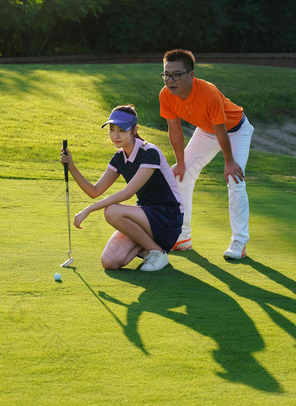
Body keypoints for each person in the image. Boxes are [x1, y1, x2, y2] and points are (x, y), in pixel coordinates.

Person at [60, 105, 184, 272]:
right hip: (145, 218)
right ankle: (149, 247)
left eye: (122, 130)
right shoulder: (119, 157)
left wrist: (88, 210)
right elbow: (94, 191)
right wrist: (71, 166)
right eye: (112, 129)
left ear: (134, 130)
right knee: (110, 261)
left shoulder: (149, 152)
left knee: (112, 211)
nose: (115, 135)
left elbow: (127, 193)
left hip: (168, 217)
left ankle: (157, 252)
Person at [159, 49, 254, 260]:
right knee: (180, 175)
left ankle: (239, 241)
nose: (170, 80)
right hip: (206, 131)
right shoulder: (165, 95)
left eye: (176, 75)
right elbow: (175, 131)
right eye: (166, 74)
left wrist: (229, 163)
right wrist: (181, 163)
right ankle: (182, 237)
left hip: (236, 130)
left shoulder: (208, 92)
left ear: (190, 75)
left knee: (234, 178)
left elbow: (222, 131)